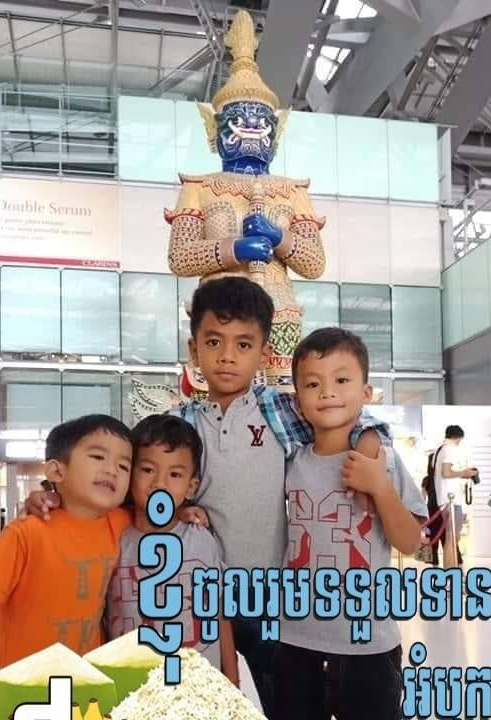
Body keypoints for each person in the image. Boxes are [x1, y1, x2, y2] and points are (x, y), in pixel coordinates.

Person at [25, 277, 387, 719]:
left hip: (270, 595)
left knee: (287, 701)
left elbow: (347, 414)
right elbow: (127, 481)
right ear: (194, 348)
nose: (227, 356)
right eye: (214, 342)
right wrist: (55, 494)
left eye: (243, 344)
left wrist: (370, 440)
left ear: (263, 352)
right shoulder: (178, 423)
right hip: (201, 600)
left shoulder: (281, 410)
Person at [274, 328, 427, 720]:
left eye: (342, 380)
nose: (328, 392)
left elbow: (410, 542)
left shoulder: (382, 460)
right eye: (313, 384)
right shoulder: (290, 462)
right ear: (298, 401)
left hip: (368, 645)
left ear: (366, 392)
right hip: (295, 639)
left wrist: (380, 487)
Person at [0, 414, 133, 720]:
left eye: (124, 465)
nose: (111, 470)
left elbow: (156, 514)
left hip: (83, 684)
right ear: (56, 470)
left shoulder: (119, 522)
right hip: (21, 687)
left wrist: (186, 513)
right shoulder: (26, 533)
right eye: (97, 457)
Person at [104, 414, 238, 683]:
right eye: (147, 470)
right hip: (133, 689)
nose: (159, 483)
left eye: (175, 474)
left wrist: (232, 678)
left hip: (200, 688)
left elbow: (219, 612)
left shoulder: (201, 539)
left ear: (191, 487)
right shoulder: (112, 540)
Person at [433, 425, 476, 569]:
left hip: (445, 499)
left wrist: (461, 474)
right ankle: (449, 572)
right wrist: (463, 473)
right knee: (452, 537)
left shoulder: (440, 450)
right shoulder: (449, 449)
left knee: (452, 537)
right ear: (458, 438)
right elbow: (446, 473)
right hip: (450, 500)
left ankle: (450, 571)